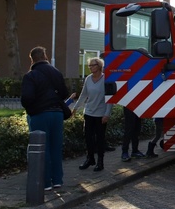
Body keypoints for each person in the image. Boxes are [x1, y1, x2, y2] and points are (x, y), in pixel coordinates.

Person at [20, 46, 71, 191]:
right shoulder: (56, 72)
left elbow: (27, 97)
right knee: (56, 147)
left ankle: (45, 182)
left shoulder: (31, 76)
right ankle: (57, 180)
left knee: (42, 148)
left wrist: (32, 107)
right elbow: (64, 93)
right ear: (44, 56)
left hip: (40, 114)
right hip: (57, 114)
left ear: (32, 59)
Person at [72, 57, 113, 172]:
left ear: (99, 66)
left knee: (100, 139)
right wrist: (75, 108)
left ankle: (100, 162)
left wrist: (107, 114)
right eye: (89, 65)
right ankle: (90, 158)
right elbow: (83, 95)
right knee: (88, 137)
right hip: (89, 112)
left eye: (92, 65)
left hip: (100, 114)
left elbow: (110, 98)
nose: (90, 67)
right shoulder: (88, 79)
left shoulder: (106, 79)